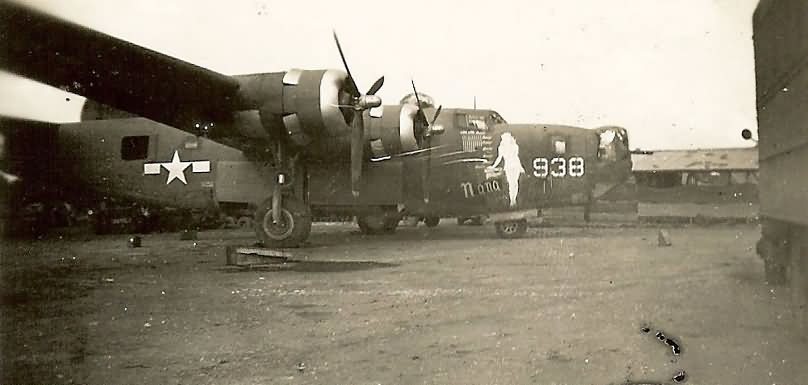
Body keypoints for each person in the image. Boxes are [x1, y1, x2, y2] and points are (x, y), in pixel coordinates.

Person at [490, 132, 525, 207]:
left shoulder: (514, 146)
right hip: (508, 166)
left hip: (515, 165)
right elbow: (499, 158)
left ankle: (513, 200)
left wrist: (520, 167)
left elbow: (516, 157)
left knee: (514, 183)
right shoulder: (501, 148)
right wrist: (493, 166)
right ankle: (512, 200)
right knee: (511, 183)